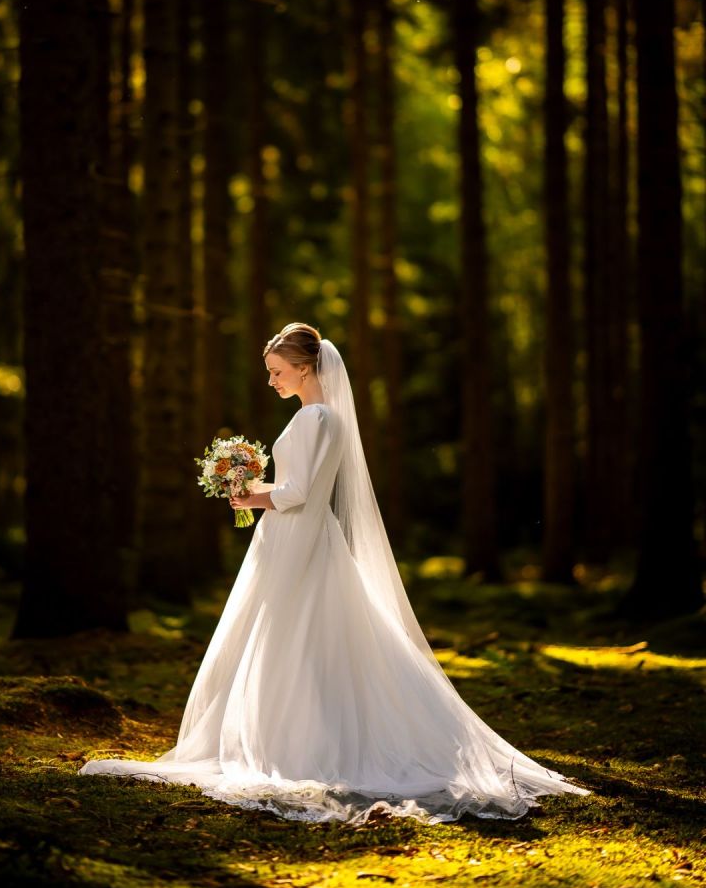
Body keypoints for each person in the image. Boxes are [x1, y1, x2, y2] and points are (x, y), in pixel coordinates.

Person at [79, 322, 591, 824]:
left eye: (278, 371)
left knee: (290, 635)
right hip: (307, 536)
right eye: (270, 372)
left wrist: (251, 494)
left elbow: (296, 493)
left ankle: (296, 744)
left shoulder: (313, 419)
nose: (272, 380)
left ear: (305, 369)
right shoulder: (329, 418)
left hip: (296, 535)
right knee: (308, 636)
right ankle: (304, 732)